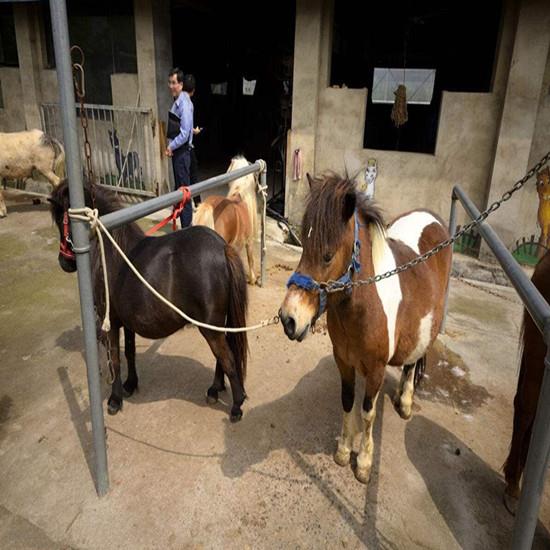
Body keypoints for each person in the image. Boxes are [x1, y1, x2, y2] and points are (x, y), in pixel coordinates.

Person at [166, 69, 201, 228]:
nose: (171, 86)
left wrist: (171, 146)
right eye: (170, 83)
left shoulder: (184, 104)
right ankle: (179, 221)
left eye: (174, 83)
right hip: (179, 152)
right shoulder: (180, 101)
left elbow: (185, 133)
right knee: (180, 189)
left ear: (181, 84)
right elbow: (186, 128)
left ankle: (186, 230)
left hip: (181, 152)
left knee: (184, 193)